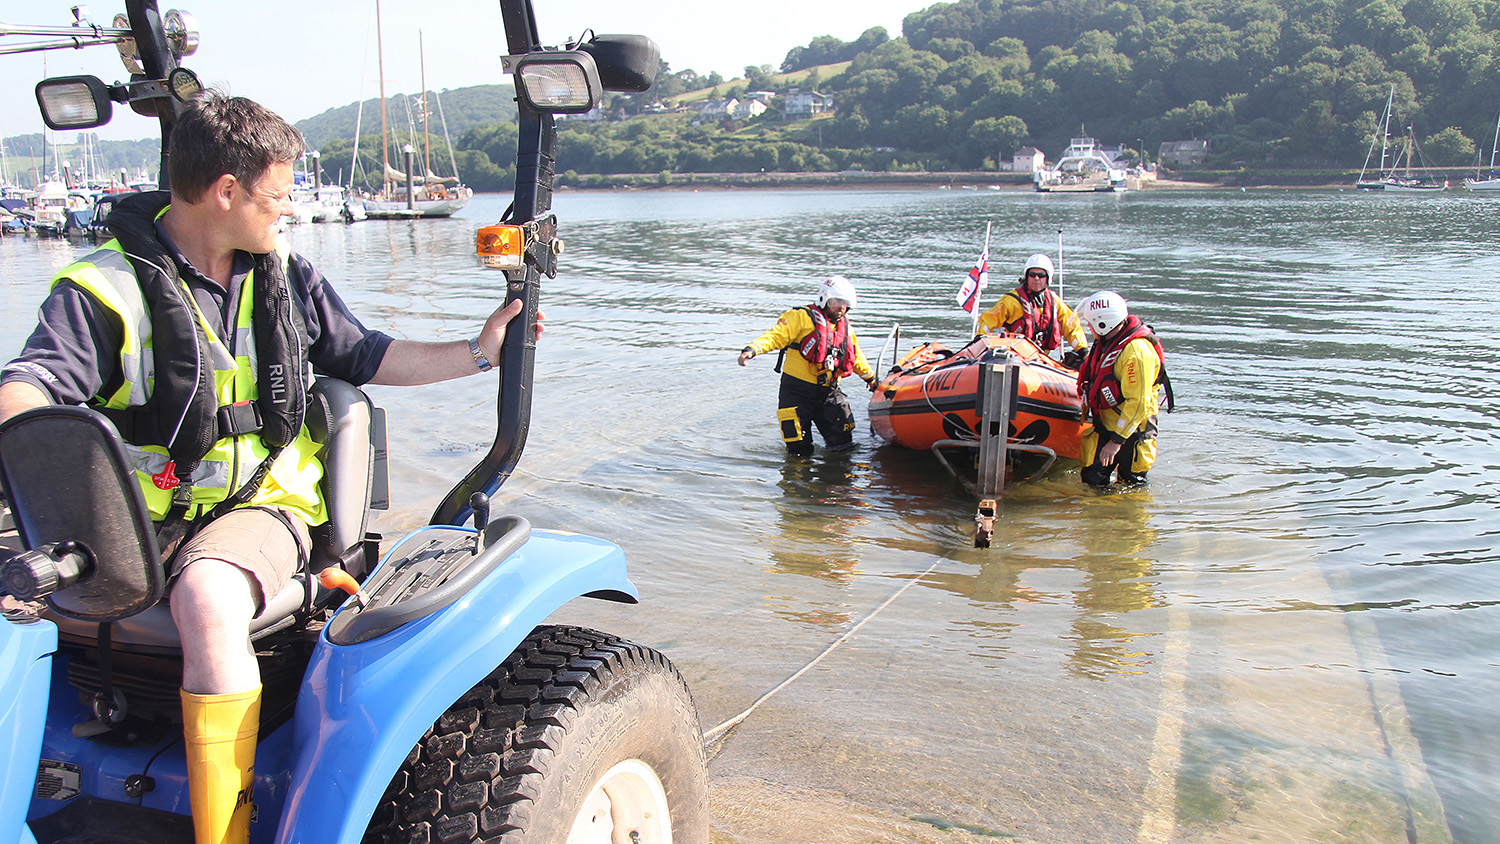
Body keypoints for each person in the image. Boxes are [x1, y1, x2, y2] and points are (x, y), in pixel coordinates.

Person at [0, 92, 540, 844]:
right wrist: (27, 437)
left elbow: (366, 356)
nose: (286, 213)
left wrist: (481, 351)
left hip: (258, 505)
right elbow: (29, 385)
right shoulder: (102, 289)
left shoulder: (286, 277)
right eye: (279, 197)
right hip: (132, 514)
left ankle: (224, 828)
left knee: (208, 597)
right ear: (227, 191)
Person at [737, 275, 876, 457]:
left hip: (829, 391)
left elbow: (855, 356)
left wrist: (870, 378)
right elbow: (775, 336)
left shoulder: (845, 328)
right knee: (798, 450)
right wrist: (752, 350)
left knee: (843, 444)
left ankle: (839, 482)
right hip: (796, 392)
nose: (841, 307)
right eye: (836, 301)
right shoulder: (800, 317)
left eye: (845, 303)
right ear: (824, 299)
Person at [1074, 291, 1173, 488]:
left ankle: (1127, 517)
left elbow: (1138, 403)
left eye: (1091, 323)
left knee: (1132, 485)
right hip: (1108, 425)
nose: (1089, 328)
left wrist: (1117, 442)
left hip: (1132, 432)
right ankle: (1098, 518)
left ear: (1103, 323)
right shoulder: (1107, 342)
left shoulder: (1136, 352)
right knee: (1092, 480)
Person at [977, 253, 1088, 366]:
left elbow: (1072, 328)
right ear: (1027, 276)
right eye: (1032, 274)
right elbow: (987, 321)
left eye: (1041, 275)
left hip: (1042, 359)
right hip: (1014, 357)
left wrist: (1083, 350)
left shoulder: (1055, 302)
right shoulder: (1011, 301)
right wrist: (980, 343)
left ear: (1048, 278)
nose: (1036, 278)